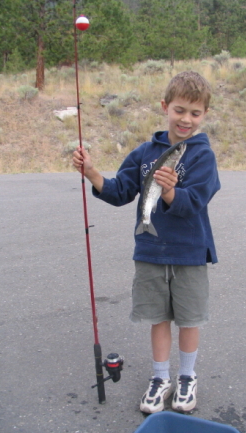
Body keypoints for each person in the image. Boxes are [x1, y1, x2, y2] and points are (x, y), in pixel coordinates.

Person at [73, 71, 221, 414]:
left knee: (189, 319)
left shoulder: (202, 156)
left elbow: (194, 202)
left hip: (190, 252)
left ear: (204, 115)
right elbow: (120, 190)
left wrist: (168, 190)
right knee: (158, 318)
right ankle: (160, 377)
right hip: (150, 251)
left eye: (195, 113)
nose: (186, 119)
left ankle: (186, 377)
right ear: (165, 107)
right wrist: (92, 173)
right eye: (180, 110)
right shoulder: (144, 152)